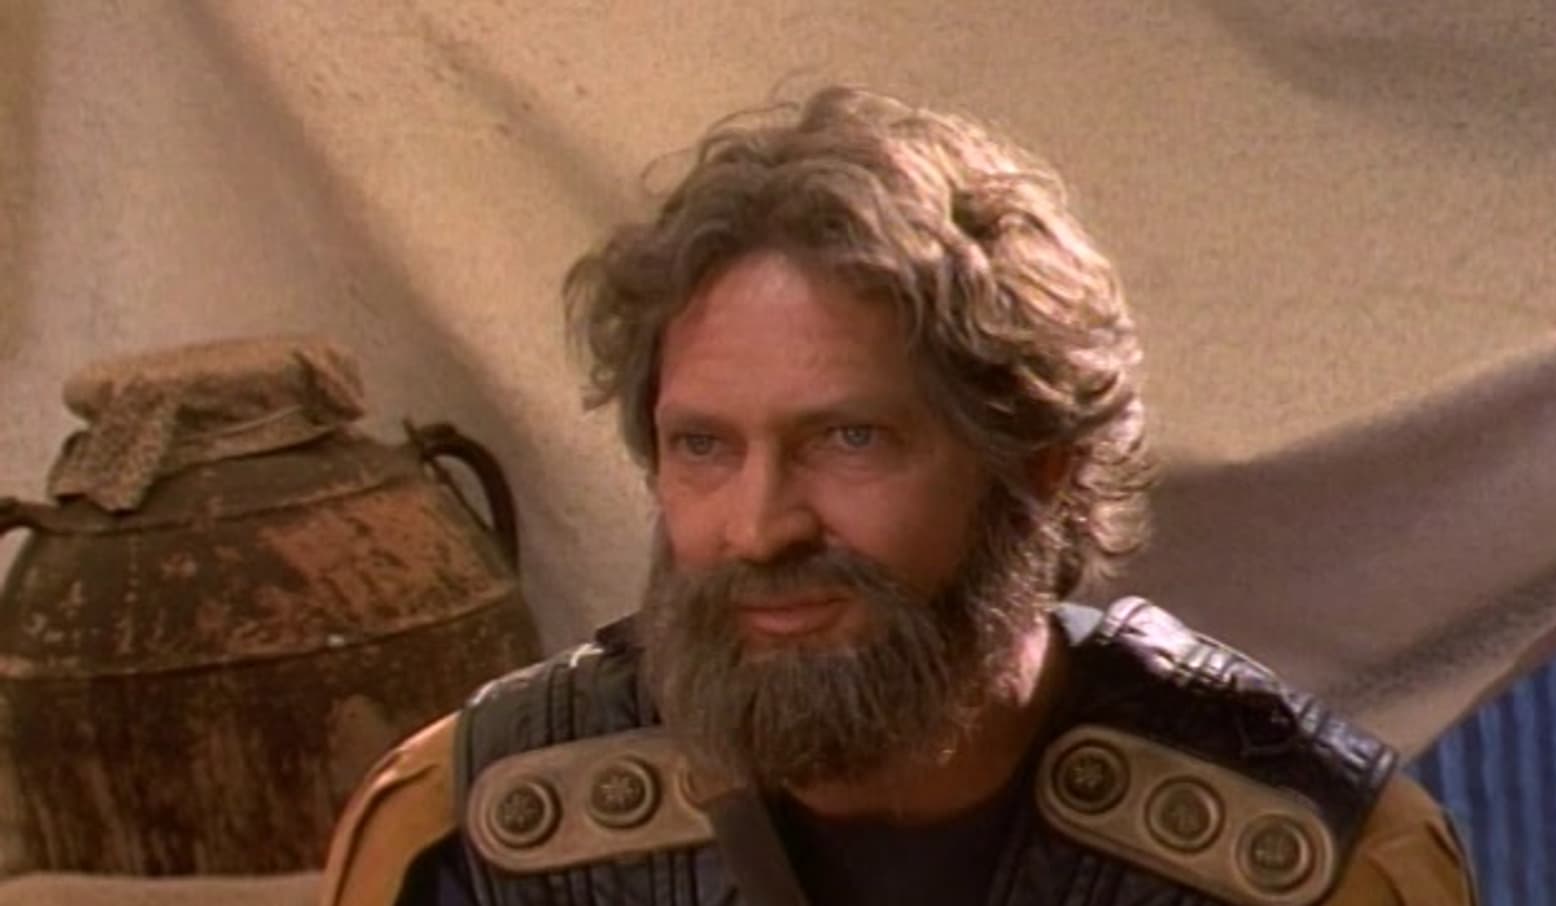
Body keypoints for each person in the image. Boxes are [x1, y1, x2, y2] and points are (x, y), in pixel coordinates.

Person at [318, 85, 1476, 906]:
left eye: (850, 439)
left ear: (1037, 465)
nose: (760, 528)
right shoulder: (470, 843)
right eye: (703, 447)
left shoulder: (1313, 866)